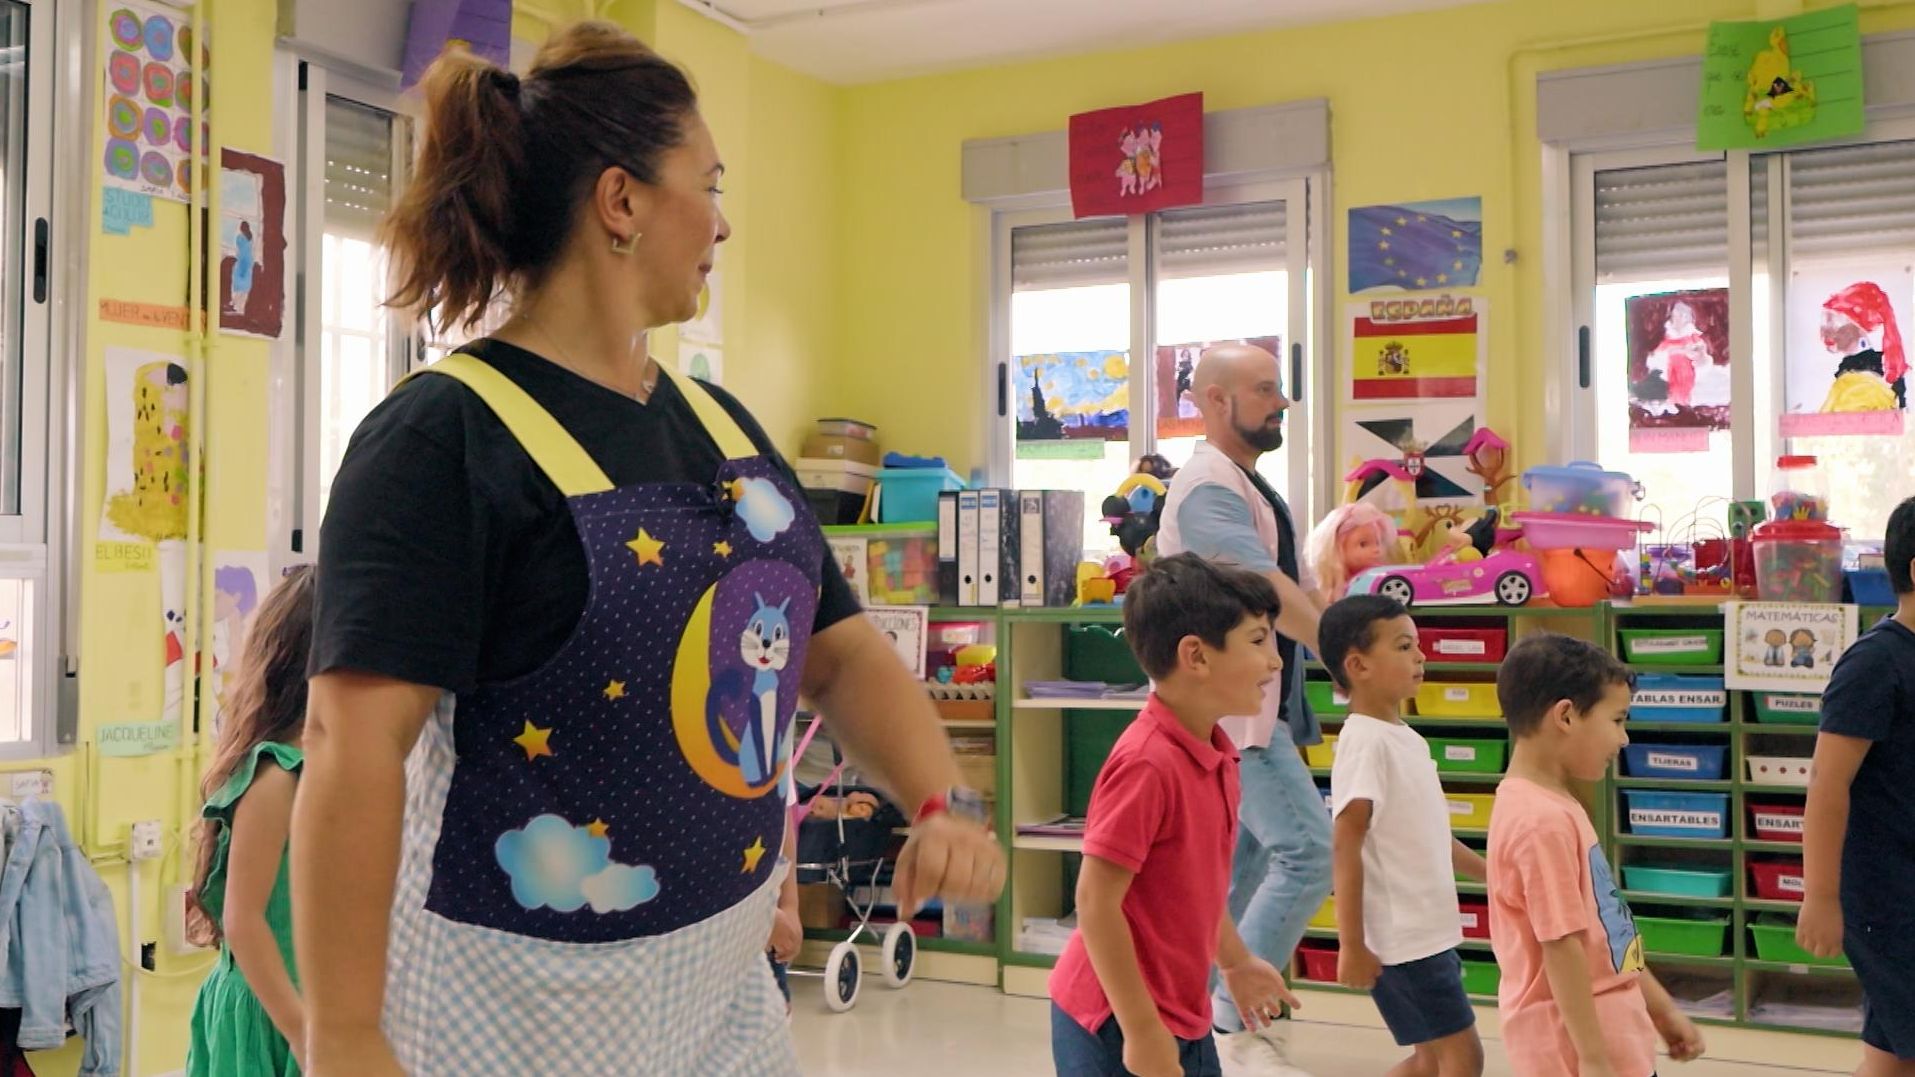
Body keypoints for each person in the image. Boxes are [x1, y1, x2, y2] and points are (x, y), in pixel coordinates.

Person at [292, 25, 1003, 1077]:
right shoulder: (443, 438)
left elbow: (839, 653)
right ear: (620, 202)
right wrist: (345, 1036)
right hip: (511, 1010)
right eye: (707, 186)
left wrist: (942, 799)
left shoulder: (722, 428)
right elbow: (350, 747)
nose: (722, 222)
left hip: (722, 996)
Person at [1049, 554, 1299, 1077]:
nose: (1275, 662)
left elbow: (1197, 888)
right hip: (1114, 1019)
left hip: (1180, 1012)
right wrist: (1141, 1030)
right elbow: (1095, 902)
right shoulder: (1147, 764)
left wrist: (1235, 961)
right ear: (1196, 656)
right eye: (1258, 641)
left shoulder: (1217, 752)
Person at [1154, 343, 1327, 1073]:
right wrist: (1347, 652)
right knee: (1308, 851)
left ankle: (1195, 1013)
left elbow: (1298, 585)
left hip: (1257, 712)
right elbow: (1264, 587)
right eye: (1264, 389)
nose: (1280, 402)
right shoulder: (1206, 489)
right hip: (1231, 719)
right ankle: (1232, 1016)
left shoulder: (1251, 487)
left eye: (1279, 388)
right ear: (1216, 400)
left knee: (1242, 872)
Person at [1488, 635, 1705, 1077]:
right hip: (1575, 1048)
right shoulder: (1540, 822)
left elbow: (1606, 933)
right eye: (1617, 720)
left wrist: (1660, 1008)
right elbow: (1561, 947)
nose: (1623, 738)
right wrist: (1592, 1057)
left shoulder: (1554, 806)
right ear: (1566, 716)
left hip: (1612, 1035)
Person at [1322, 595, 1487, 1077]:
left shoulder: (1404, 738)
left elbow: (1431, 835)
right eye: (1403, 646)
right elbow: (1346, 844)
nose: (1420, 655)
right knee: (1463, 1058)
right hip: (1403, 940)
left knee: (1430, 1061)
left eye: (1416, 644)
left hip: (1426, 932)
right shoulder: (1365, 742)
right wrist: (1351, 943)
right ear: (1358, 666)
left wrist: (1492, 876)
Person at [1798, 495, 1915, 1074]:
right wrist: (1821, 895)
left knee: (1892, 1050)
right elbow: (1827, 784)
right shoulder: (1875, 663)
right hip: (1890, 898)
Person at [186, 566, 317, 1077]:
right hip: (273, 1016)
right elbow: (243, 921)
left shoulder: (334, 770)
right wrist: (301, 1032)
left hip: (314, 1009)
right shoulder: (276, 776)